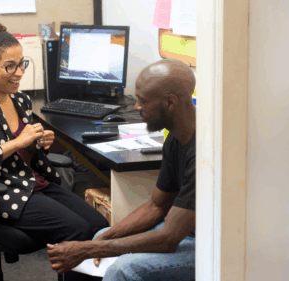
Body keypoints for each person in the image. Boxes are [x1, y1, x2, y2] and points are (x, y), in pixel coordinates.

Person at [0, 20, 109, 271]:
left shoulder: (21, 99)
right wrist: (17, 143)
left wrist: (39, 144)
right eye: (10, 67)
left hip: (31, 181)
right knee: (77, 230)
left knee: (98, 225)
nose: (20, 73)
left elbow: (26, 151)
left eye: (22, 63)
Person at [47, 58, 196, 281]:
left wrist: (89, 250)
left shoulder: (204, 153)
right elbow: (156, 206)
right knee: (98, 236)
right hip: (183, 232)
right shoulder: (175, 140)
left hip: (211, 248)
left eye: (142, 101)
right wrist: (99, 242)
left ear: (170, 103)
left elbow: (168, 238)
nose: (136, 107)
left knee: (125, 269)